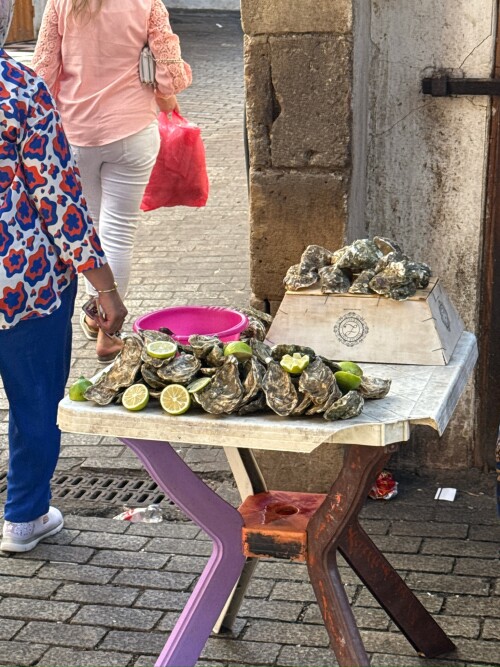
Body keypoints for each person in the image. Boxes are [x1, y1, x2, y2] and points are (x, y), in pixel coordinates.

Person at [0, 0, 127, 552]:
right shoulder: (20, 89)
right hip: (23, 282)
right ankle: (24, 517)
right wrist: (106, 288)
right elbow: (58, 199)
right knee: (34, 402)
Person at [32, 0, 192, 362]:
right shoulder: (147, 3)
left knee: (90, 228)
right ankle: (107, 332)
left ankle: (95, 313)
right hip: (132, 132)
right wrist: (167, 87)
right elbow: (171, 77)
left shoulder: (60, 2)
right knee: (118, 231)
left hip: (76, 135)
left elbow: (42, 73)